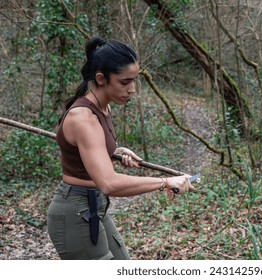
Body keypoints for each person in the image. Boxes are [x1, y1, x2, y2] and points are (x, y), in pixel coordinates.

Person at [47, 36, 194, 260]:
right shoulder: (83, 118)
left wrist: (115, 152)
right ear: (101, 78)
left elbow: (89, 149)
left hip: (95, 207)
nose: (132, 89)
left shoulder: (104, 108)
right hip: (75, 212)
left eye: (134, 80)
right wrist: (165, 182)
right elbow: (109, 183)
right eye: (124, 82)